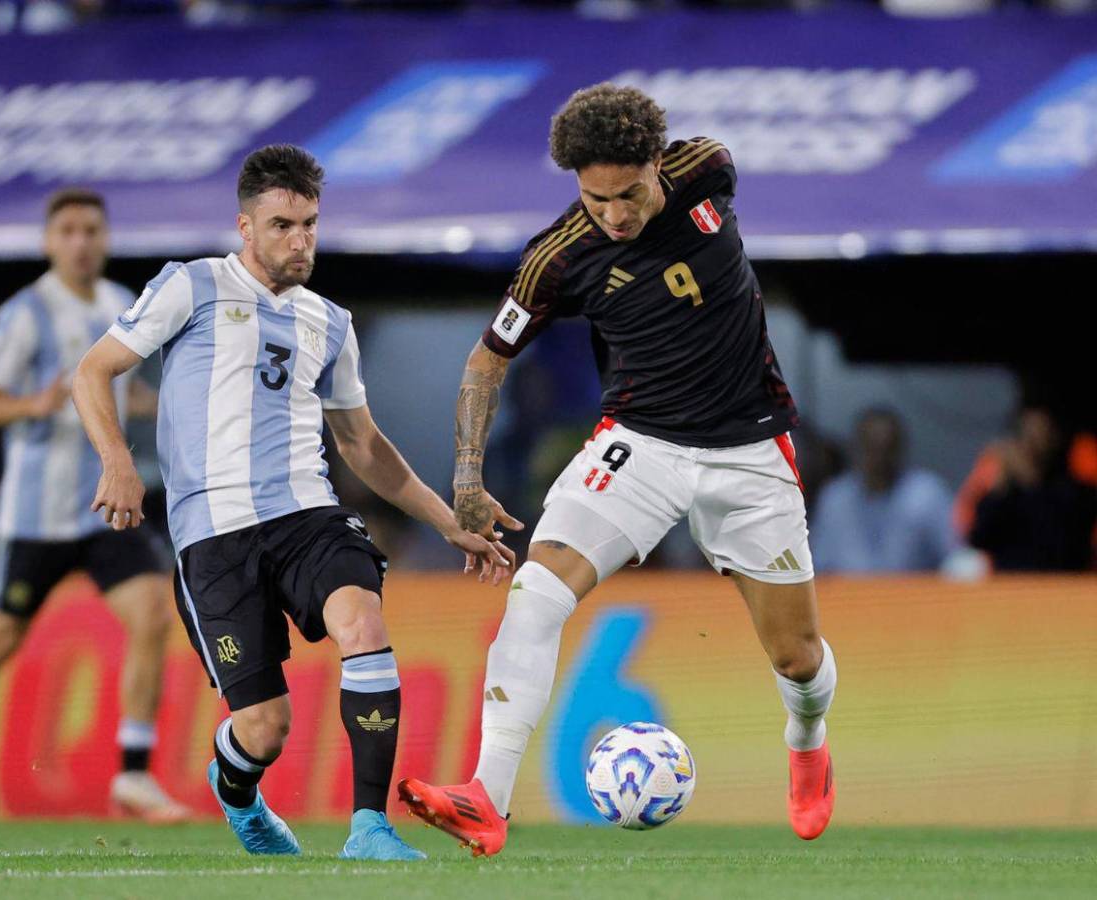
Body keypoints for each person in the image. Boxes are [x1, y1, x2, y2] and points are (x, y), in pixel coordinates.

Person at [398, 84, 837, 854]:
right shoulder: (559, 257)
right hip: (640, 445)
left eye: (629, 194)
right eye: (596, 199)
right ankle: (486, 797)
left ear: (657, 165)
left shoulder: (709, 168)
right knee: (535, 593)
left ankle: (808, 743)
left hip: (749, 447)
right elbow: (485, 362)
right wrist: (465, 478)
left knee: (798, 659)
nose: (615, 215)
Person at [71, 144, 514, 860]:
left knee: (363, 625)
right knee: (264, 729)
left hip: (309, 515)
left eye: (309, 224)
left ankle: (369, 828)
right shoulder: (192, 286)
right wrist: (118, 462)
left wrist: (450, 520)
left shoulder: (329, 323)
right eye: (282, 225)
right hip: (213, 535)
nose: (300, 240)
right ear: (244, 226)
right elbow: (94, 371)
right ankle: (236, 788)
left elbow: (363, 446)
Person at [0, 189, 186, 827]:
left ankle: (134, 775)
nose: (81, 241)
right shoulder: (25, 313)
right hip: (35, 516)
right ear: (48, 242)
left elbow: (132, 393)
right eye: (67, 230)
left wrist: (158, 408)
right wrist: (30, 405)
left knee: (150, 614)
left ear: (106, 237)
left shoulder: (123, 305)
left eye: (91, 229)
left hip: (106, 507)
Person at [812, 408, 958, 573]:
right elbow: (819, 566)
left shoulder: (927, 494)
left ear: (900, 448)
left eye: (887, 448)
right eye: (871, 448)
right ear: (856, 448)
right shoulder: (834, 498)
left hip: (915, 596)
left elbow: (957, 560)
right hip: (848, 596)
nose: (879, 459)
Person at [966, 406, 1097, 570]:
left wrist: (1025, 485)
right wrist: (1002, 485)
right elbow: (977, 538)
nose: (1036, 444)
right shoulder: (1006, 494)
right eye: (1030, 438)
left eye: (1042, 436)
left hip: (1063, 584)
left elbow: (1070, 540)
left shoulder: (1072, 493)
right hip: (1010, 584)